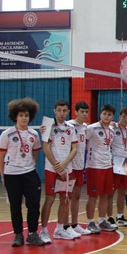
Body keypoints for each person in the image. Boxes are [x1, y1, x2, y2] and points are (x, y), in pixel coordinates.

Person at [0, 98, 44, 247]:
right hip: (11, 174)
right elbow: (0, 155)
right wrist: (3, 175)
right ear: (15, 117)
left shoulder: (34, 134)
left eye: (27, 115)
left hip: (29, 173)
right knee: (15, 206)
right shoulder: (7, 134)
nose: (24, 118)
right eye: (21, 115)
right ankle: (18, 235)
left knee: (34, 204)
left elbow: (35, 153)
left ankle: (32, 234)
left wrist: (29, 166)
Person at [40, 100, 79, 242]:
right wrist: (56, 165)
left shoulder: (70, 127)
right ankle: (44, 230)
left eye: (64, 110)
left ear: (68, 111)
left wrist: (65, 163)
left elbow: (74, 148)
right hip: (52, 169)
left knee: (65, 199)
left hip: (67, 168)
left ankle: (60, 229)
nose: (62, 113)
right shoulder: (48, 125)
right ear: (54, 111)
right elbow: (45, 148)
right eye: (59, 110)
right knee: (50, 199)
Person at [85, 104, 118, 232]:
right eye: (104, 114)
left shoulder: (112, 130)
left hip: (107, 166)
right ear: (100, 114)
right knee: (93, 196)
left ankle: (102, 221)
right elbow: (82, 143)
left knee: (105, 195)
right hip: (94, 166)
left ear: (112, 116)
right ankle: (90, 222)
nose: (106, 116)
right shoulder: (91, 128)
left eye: (109, 114)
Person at [67, 101, 91, 235]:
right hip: (69, 167)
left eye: (86, 112)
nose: (84, 114)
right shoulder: (69, 125)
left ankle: (75, 224)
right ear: (76, 112)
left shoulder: (86, 127)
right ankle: (64, 226)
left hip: (80, 166)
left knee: (76, 197)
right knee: (67, 197)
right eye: (82, 112)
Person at [109, 106, 127, 228]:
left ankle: (119, 216)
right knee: (111, 191)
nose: (126, 119)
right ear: (120, 116)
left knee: (123, 191)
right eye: (124, 116)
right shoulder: (112, 127)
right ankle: (109, 217)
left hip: (124, 163)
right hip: (114, 162)